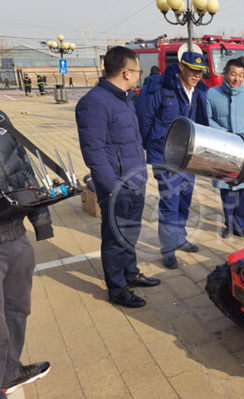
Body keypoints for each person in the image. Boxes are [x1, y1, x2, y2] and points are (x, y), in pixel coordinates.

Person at [76, 46, 160, 308]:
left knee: (130, 233)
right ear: (126, 72)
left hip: (135, 180)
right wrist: (111, 187)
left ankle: (130, 273)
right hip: (117, 186)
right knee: (114, 239)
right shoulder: (94, 102)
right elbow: (94, 151)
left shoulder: (124, 98)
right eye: (138, 71)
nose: (139, 75)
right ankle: (117, 289)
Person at [0, 110, 53, 399]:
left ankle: (9, 372)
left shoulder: (3, 120)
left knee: (18, 311)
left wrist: (41, 221)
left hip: (16, 237)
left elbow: (27, 171)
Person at [136, 52, 208, 269]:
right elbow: (144, 119)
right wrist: (151, 148)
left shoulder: (200, 91)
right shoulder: (161, 88)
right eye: (192, 70)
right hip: (165, 155)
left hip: (189, 156)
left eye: (200, 71)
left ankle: (179, 238)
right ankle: (168, 249)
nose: (197, 75)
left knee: (185, 198)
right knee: (170, 201)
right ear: (181, 67)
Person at [207, 59, 244, 239]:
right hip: (223, 148)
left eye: (240, 75)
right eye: (233, 74)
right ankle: (228, 224)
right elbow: (207, 118)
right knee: (226, 187)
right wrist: (225, 134)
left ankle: (241, 226)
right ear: (225, 73)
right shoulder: (212, 93)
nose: (236, 78)